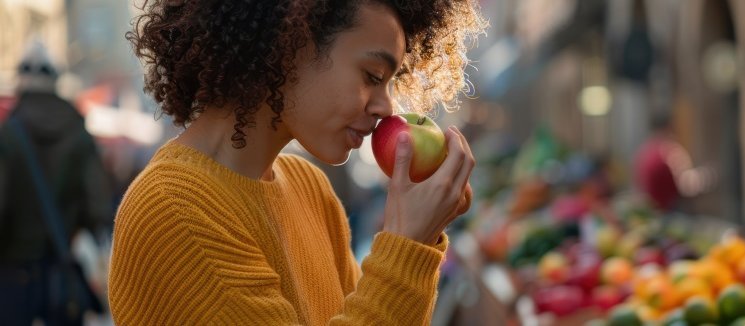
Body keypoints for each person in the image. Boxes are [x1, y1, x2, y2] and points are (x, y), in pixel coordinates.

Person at [108, 0, 485, 324]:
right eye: (372, 75)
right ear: (290, 42)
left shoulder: (310, 187)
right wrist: (407, 246)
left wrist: (418, 241)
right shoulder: (172, 211)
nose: (387, 106)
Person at [0, 41, 113, 325]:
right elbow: (97, 205)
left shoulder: (7, 135)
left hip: (12, 275)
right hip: (60, 272)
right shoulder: (77, 130)